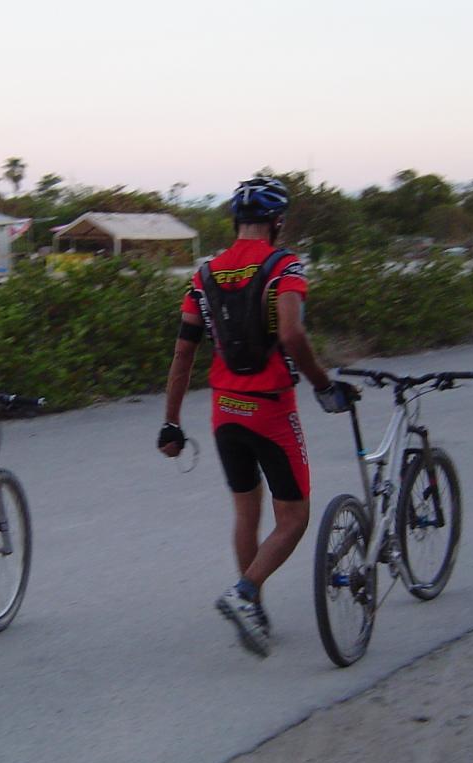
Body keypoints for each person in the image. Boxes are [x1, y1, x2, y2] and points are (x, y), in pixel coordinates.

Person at [157, 176, 357, 657]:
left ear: (235, 221)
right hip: (269, 409)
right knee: (295, 518)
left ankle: (256, 612)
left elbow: (183, 355)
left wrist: (170, 422)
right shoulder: (284, 266)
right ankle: (245, 594)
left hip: (224, 411)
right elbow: (291, 334)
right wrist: (324, 386)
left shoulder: (205, 275)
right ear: (277, 222)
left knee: (247, 514)